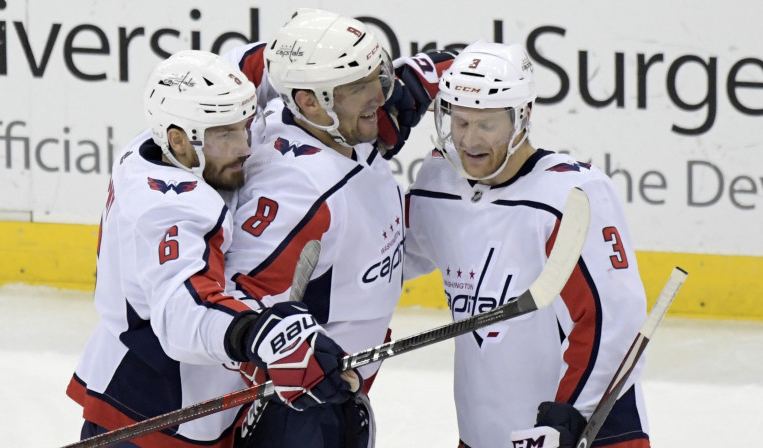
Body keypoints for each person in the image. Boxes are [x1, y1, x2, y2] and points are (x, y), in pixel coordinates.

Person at [66, 50, 357, 447]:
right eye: (225, 134)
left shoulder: (154, 145)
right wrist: (261, 332)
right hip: (154, 412)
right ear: (179, 140)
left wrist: (311, 61)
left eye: (245, 126)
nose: (245, 146)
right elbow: (182, 309)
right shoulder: (170, 211)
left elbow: (250, 68)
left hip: (163, 387)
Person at [218, 8, 452, 448]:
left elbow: (367, 253)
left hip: (335, 396)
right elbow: (234, 302)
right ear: (310, 102)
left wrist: (434, 72)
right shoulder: (297, 194)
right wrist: (290, 353)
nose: (380, 98)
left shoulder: (339, 135)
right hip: (295, 414)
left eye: (376, 77)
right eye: (358, 88)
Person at [403, 41, 652, 448]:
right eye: (460, 122)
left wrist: (570, 416)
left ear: (523, 117)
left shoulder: (571, 194)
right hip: (483, 432)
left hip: (582, 432)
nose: (469, 141)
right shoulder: (439, 183)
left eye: (487, 124)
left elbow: (614, 322)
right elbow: (383, 264)